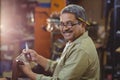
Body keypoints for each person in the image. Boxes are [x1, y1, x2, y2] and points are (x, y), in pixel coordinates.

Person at [20, 4, 100, 80]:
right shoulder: (74, 41)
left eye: (69, 24)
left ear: (82, 25)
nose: (64, 29)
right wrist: (37, 58)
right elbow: (62, 68)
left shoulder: (81, 49)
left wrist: (29, 73)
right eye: (62, 24)